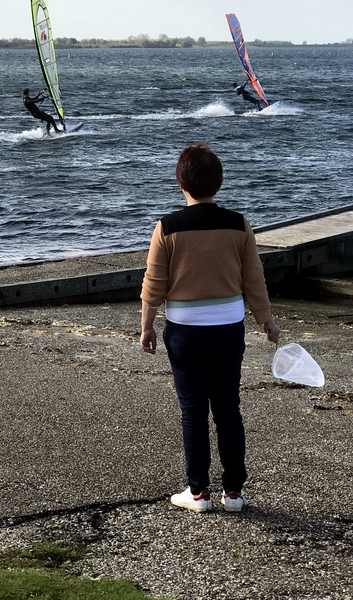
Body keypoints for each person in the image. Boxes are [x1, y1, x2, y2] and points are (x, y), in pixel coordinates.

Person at [139, 142, 281, 514]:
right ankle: (233, 492)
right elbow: (254, 280)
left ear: (180, 183)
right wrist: (267, 321)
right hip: (228, 327)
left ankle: (198, 492)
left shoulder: (167, 227)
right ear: (218, 182)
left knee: (192, 410)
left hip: (184, 329)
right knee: (228, 408)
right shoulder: (238, 224)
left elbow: (154, 283)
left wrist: (146, 327)